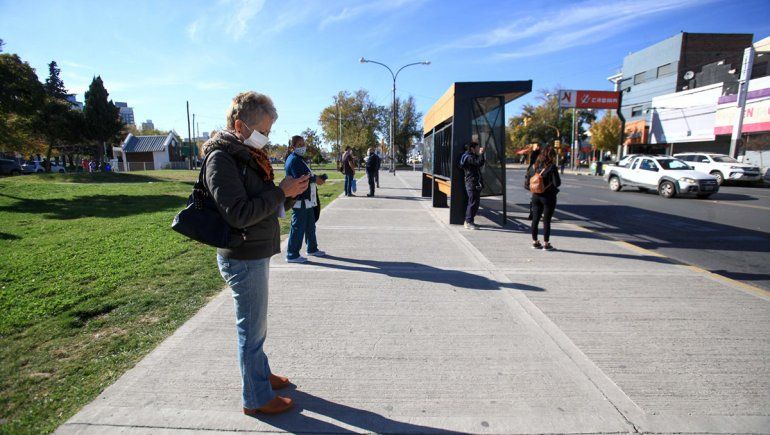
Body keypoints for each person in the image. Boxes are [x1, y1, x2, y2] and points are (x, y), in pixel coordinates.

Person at [203, 91, 309, 415]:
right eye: (263, 130)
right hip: (242, 256)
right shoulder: (221, 159)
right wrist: (280, 192)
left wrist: (289, 194)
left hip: (254, 252)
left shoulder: (246, 155)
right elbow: (238, 214)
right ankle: (256, 397)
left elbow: (262, 202)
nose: (267, 137)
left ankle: (260, 375)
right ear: (240, 126)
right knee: (251, 331)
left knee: (257, 327)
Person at [285, 135, 326, 263]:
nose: (303, 147)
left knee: (310, 226)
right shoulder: (294, 160)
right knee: (298, 227)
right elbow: (302, 178)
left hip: (308, 199)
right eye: (299, 145)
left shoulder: (299, 159)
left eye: (303, 144)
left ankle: (312, 248)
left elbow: (308, 174)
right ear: (292, 147)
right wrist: (316, 179)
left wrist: (317, 178)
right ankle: (292, 254)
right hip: (300, 199)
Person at [525, 146, 561, 251]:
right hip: (548, 197)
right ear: (551, 156)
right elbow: (557, 183)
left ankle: (535, 242)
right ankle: (546, 244)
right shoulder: (552, 167)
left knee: (535, 219)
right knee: (546, 221)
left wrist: (536, 188)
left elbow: (526, 184)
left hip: (535, 197)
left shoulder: (533, 167)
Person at [459, 141, 485, 230]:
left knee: (475, 203)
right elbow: (479, 163)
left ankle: (470, 221)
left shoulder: (469, 156)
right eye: (477, 148)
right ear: (472, 149)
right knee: (473, 203)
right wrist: (481, 154)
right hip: (472, 183)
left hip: (473, 182)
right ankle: (468, 222)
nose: (478, 149)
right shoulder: (469, 157)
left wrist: (480, 155)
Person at [526, 143, 541, 220]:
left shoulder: (531, 167)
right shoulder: (540, 166)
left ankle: (532, 214)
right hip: (539, 185)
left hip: (532, 185)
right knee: (539, 199)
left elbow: (527, 179)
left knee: (534, 198)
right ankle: (536, 214)